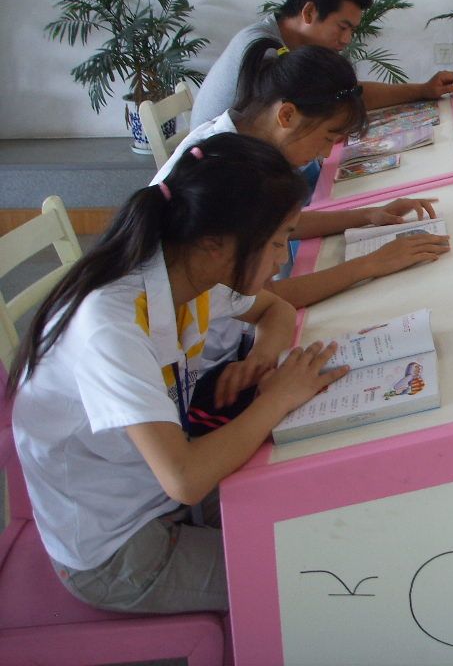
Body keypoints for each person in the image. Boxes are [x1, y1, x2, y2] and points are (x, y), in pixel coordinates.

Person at [9, 133, 351, 613]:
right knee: (320, 576)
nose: (281, 258)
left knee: (326, 504)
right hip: (118, 547)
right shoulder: (109, 327)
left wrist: (261, 361)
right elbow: (184, 478)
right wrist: (278, 397)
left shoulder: (187, 269)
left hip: (161, 489)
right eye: (276, 242)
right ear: (215, 244)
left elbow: (273, 309)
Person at [155, 41, 450, 433]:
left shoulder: (243, 146)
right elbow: (273, 292)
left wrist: (366, 216)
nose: (326, 154)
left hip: (231, 345)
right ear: (287, 115)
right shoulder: (224, 170)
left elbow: (280, 230)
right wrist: (370, 264)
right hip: (204, 370)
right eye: (327, 137)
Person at [191, 0, 453, 128]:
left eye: (351, 30)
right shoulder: (265, 52)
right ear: (309, 12)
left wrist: (423, 90)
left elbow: (344, 96)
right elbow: (339, 103)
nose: (346, 40)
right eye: (342, 27)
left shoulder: (281, 39)